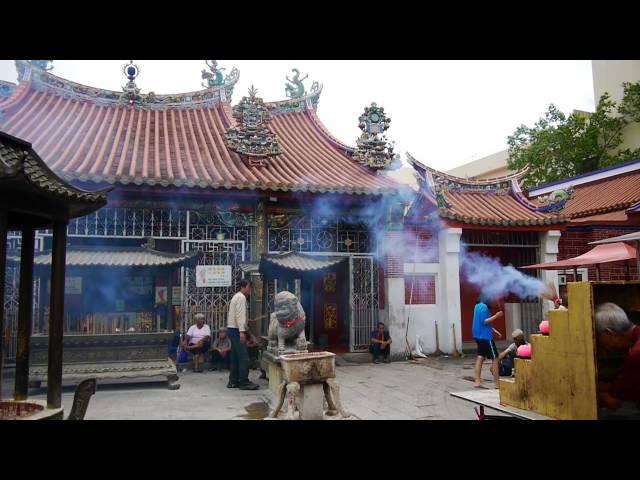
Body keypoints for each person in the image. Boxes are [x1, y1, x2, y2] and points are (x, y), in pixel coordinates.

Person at [594, 302, 640, 411]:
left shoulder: (636, 354)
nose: (603, 346)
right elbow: (622, 385)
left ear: (608, 333)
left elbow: (614, 402)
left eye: (600, 339)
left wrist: (587, 389)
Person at [226, 279, 259, 390]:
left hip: (233, 329)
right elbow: (240, 315)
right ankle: (243, 382)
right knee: (244, 358)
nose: (250, 289)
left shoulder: (237, 297)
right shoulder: (241, 297)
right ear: (243, 287)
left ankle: (233, 381)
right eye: (249, 287)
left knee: (236, 357)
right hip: (236, 331)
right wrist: (242, 332)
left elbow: (238, 316)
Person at [472, 294, 503, 388]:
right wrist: (497, 316)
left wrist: (495, 331)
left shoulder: (477, 306)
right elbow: (484, 321)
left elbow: (480, 322)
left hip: (478, 335)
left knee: (480, 357)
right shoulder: (484, 307)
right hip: (486, 337)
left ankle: (477, 380)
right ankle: (497, 383)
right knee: (495, 358)